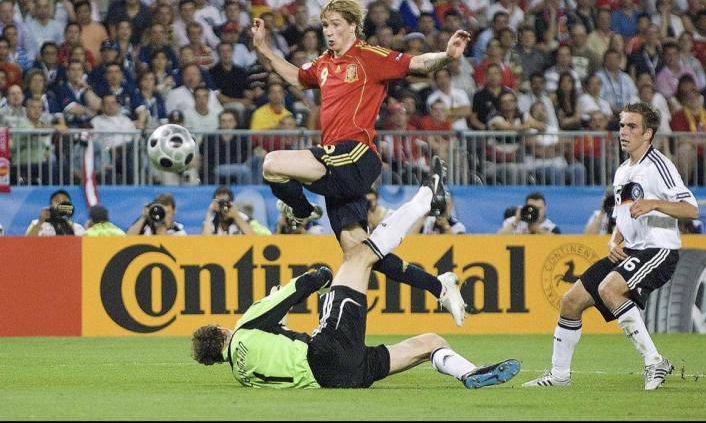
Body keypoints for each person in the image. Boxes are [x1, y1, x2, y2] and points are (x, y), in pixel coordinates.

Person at [191, 162, 521, 389]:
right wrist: (320, 283)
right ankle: (424, 200)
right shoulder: (245, 327)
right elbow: (304, 284)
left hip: (342, 377)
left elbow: (281, 352)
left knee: (429, 343)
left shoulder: (243, 375)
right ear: (221, 329)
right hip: (326, 353)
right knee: (358, 256)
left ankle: (469, 373)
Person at [250, 0, 470, 326]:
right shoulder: (324, 63)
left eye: (336, 24)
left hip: (356, 154)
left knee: (272, 163)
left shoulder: (369, 56)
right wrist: (263, 48)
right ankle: (439, 286)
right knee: (360, 255)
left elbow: (418, 63)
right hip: (336, 166)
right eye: (326, 26)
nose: (329, 32)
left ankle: (302, 210)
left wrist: (447, 56)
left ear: (353, 26)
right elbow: (296, 77)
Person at [522, 102, 699, 390]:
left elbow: (691, 209)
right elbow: (622, 216)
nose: (624, 132)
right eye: (622, 125)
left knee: (609, 289)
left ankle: (654, 361)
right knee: (570, 301)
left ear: (648, 133)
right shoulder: (622, 172)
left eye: (632, 126)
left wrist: (655, 203)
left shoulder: (659, 165)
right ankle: (559, 375)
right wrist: (614, 239)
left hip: (659, 249)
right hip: (631, 250)